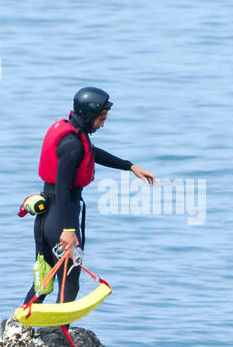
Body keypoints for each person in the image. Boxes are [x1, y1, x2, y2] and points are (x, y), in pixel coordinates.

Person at [25, 86, 156, 303]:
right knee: (70, 280)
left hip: (48, 214)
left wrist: (130, 167)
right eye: (101, 119)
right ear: (88, 116)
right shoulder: (72, 145)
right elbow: (63, 187)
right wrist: (68, 229)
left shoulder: (73, 135)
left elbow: (92, 152)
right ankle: (59, 331)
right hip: (61, 217)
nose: (103, 124)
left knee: (44, 278)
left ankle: (20, 326)